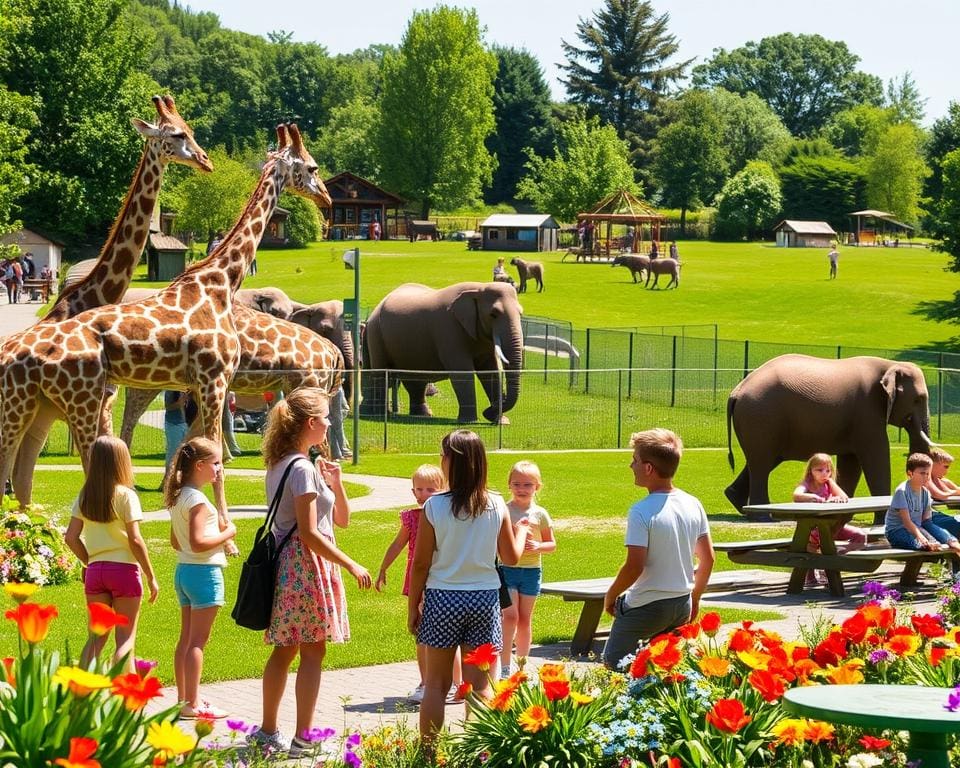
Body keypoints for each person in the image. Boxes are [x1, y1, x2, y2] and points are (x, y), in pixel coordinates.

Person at [248, 388, 372, 759]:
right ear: (311, 423)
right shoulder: (300, 468)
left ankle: (269, 732)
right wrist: (351, 563)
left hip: (292, 567)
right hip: (305, 565)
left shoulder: (288, 462)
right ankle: (304, 738)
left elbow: (341, 520)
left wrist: (335, 483)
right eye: (326, 418)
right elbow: (309, 533)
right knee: (312, 651)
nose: (331, 423)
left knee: (285, 650)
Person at [407, 430, 530, 748]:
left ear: (451, 462)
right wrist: (517, 533)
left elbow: (420, 564)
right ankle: (479, 750)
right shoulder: (496, 504)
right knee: (481, 684)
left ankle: (429, 753)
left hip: (442, 599)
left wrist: (413, 607)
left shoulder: (434, 506)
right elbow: (511, 557)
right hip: (484, 601)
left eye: (442, 454)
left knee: (436, 684)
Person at [602, 428, 715, 670]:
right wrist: (694, 599)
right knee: (665, 671)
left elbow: (634, 566)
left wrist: (611, 596)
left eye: (635, 460)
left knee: (615, 667)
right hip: (681, 603)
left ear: (648, 468)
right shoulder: (693, 504)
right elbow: (708, 560)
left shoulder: (641, 511)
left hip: (646, 606)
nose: (631, 465)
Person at [64, 436, 159, 673]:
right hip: (124, 571)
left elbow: (70, 537)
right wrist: (150, 574)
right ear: (121, 462)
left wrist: (91, 561)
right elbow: (135, 540)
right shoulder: (126, 495)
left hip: (95, 572)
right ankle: (123, 695)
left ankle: (81, 693)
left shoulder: (85, 494)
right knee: (125, 639)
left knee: (96, 638)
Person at [376, 464, 463, 704]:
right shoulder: (411, 518)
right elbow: (397, 544)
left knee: (444, 634)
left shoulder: (446, 514)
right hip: (417, 581)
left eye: (430, 490)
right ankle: (427, 682)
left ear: (444, 489)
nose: (424, 495)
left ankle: (456, 683)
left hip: (439, 580)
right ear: (413, 491)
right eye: (419, 489)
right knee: (422, 635)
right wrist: (383, 567)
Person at [165, 436, 237, 719]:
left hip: (183, 572)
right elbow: (197, 542)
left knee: (185, 639)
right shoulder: (198, 501)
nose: (220, 469)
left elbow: (176, 542)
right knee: (197, 642)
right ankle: (193, 704)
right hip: (204, 573)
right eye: (216, 463)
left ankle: (184, 700)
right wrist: (228, 534)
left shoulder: (179, 497)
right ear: (200, 465)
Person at [499, 460, 555, 680]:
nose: (521, 489)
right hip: (508, 569)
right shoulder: (504, 510)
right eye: (517, 484)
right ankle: (504, 668)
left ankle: (521, 666)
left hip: (531, 571)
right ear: (509, 485)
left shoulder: (540, 514)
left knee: (524, 619)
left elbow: (552, 544)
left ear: (537, 487)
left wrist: (538, 546)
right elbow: (498, 541)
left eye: (527, 485)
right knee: (509, 617)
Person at [793, 453, 866, 586]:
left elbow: (844, 497)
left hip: (833, 526)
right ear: (811, 471)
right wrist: (812, 497)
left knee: (860, 536)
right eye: (819, 470)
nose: (824, 474)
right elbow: (797, 495)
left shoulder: (828, 483)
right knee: (812, 544)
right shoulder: (807, 484)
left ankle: (839, 553)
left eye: (827, 470)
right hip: (812, 527)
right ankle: (811, 576)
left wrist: (834, 491)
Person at [885, 453, 960, 554]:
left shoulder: (925, 492)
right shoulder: (902, 491)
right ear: (910, 473)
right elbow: (907, 523)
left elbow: (927, 522)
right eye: (922, 473)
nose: (926, 477)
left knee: (950, 542)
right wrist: (924, 539)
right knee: (925, 545)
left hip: (918, 528)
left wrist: (947, 539)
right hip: (898, 531)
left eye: (928, 474)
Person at [923, 448, 960, 538]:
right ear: (933, 465)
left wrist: (953, 491)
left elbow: (952, 491)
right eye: (945, 467)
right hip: (923, 519)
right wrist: (955, 492)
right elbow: (939, 495)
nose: (946, 471)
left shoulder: (938, 480)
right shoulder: (925, 478)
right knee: (956, 524)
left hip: (932, 515)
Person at [163, 391, 191, 487]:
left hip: (185, 424)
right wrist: (181, 402)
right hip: (173, 424)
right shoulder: (171, 390)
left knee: (185, 454)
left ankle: (180, 481)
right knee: (172, 453)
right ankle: (166, 482)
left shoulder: (186, 389)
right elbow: (168, 407)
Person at [326, 388, 351, 461]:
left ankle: (338, 452)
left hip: (337, 385)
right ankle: (340, 452)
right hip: (332, 388)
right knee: (335, 420)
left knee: (342, 412)